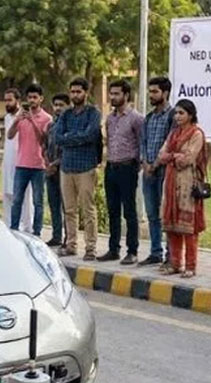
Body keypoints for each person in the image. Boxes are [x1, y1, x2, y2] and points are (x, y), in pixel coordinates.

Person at [157, 99, 207, 278]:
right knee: (173, 227)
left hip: (188, 185)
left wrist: (172, 157)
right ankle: (175, 264)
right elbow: (161, 155)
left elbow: (187, 159)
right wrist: (174, 156)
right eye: (176, 113)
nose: (177, 116)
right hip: (171, 183)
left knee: (189, 229)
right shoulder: (173, 134)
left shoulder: (196, 134)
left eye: (181, 113)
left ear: (190, 115)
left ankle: (191, 266)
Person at [55, 77, 102, 260]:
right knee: (69, 209)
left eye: (78, 92)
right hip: (67, 167)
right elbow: (58, 138)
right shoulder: (65, 115)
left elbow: (90, 135)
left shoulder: (93, 113)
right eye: (72, 92)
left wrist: (70, 137)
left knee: (88, 209)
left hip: (86, 167)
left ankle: (90, 248)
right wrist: (76, 137)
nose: (75, 95)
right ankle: (71, 245)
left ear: (85, 93)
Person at [99, 79, 143, 265]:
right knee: (113, 210)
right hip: (111, 167)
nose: (113, 97)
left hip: (127, 167)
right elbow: (108, 140)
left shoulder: (136, 118)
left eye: (117, 93)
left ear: (126, 95)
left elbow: (142, 142)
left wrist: (137, 164)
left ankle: (132, 251)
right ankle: (113, 249)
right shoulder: (110, 118)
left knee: (129, 211)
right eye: (112, 93)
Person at [8, 84, 53, 235]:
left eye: (35, 97)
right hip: (21, 164)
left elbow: (43, 141)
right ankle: (14, 229)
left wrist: (32, 121)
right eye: (29, 97)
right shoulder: (21, 115)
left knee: (38, 202)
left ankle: (37, 232)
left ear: (41, 99)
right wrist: (17, 120)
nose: (32, 100)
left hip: (38, 166)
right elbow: (9, 135)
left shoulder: (47, 118)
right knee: (17, 200)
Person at [139, 77, 174, 266]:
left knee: (165, 214)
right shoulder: (149, 117)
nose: (151, 95)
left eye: (155, 92)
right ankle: (155, 252)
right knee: (152, 213)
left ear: (165, 93)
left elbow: (171, 142)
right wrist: (145, 163)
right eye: (150, 91)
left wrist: (155, 164)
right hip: (148, 171)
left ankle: (171, 255)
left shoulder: (173, 116)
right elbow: (143, 142)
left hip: (164, 171)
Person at [2, 88, 33, 233]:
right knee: (7, 193)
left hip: (22, 161)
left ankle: (28, 228)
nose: (7, 103)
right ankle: (9, 227)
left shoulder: (26, 116)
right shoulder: (8, 117)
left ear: (18, 101)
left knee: (25, 197)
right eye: (6, 100)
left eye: (10, 100)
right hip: (7, 160)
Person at [45, 93, 70, 247]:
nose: (58, 108)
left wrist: (55, 164)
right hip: (50, 170)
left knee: (66, 206)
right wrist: (48, 163)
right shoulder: (51, 125)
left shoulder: (69, 125)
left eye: (61, 105)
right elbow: (45, 146)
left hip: (64, 169)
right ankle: (56, 236)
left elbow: (67, 149)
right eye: (56, 105)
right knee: (53, 204)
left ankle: (69, 238)